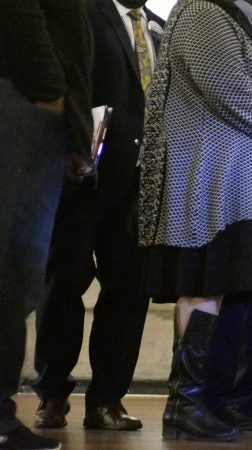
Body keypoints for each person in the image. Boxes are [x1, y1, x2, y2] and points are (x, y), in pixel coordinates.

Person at [137, 0, 252, 441]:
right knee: (203, 284)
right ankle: (186, 401)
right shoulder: (203, 10)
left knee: (222, 288)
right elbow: (228, 89)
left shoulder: (232, 16)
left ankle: (210, 399)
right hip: (205, 180)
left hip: (233, 182)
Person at [32, 0, 164, 432]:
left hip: (140, 183)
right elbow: (71, 81)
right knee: (65, 284)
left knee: (128, 292)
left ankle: (107, 399)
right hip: (84, 177)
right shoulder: (86, 13)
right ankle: (52, 394)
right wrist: (72, 147)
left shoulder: (158, 30)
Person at [0, 1, 92, 448]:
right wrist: (51, 93)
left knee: (17, 274)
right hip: (22, 104)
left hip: (33, 108)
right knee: (11, 270)